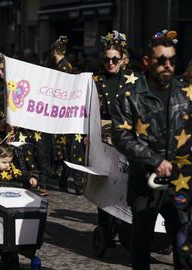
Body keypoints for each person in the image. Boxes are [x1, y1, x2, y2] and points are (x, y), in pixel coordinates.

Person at [111, 29, 192, 270]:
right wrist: (155, 160)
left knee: (183, 237)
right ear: (147, 61)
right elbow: (121, 136)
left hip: (179, 182)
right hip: (144, 182)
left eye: (172, 60)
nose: (168, 65)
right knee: (142, 239)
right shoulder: (130, 95)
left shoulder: (188, 93)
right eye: (161, 60)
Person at [94, 29, 131, 245]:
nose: (111, 63)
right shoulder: (95, 80)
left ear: (123, 60)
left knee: (124, 183)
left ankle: (125, 224)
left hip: (126, 140)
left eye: (115, 59)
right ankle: (106, 228)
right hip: (102, 140)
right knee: (104, 183)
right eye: (107, 59)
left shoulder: (133, 80)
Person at [49, 35, 86, 195]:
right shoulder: (63, 65)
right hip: (64, 116)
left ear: (54, 51)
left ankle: (77, 185)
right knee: (67, 151)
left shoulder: (63, 67)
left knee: (73, 151)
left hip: (67, 116)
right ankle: (65, 183)